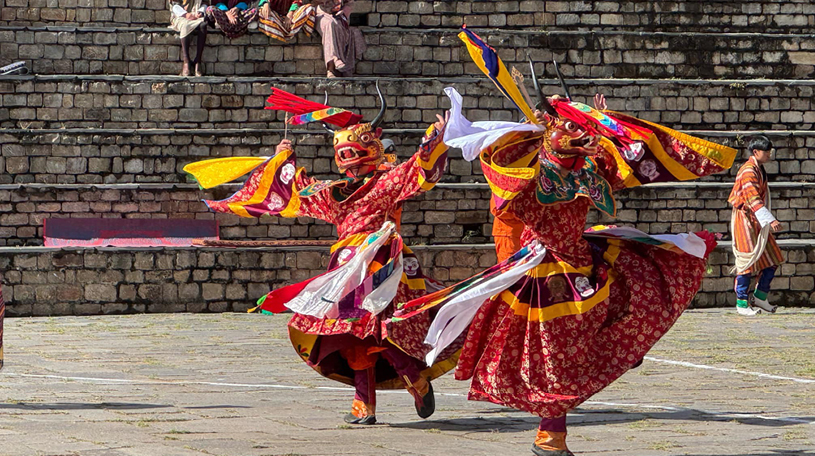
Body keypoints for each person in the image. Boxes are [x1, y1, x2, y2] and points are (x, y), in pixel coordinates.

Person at [394, 30, 737, 456]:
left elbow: (590, 164)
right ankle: (553, 434)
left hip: (569, 265)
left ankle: (563, 421)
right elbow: (525, 174)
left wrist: (576, 129)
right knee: (556, 352)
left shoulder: (569, 176)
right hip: (550, 270)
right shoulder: (558, 175)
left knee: (574, 340)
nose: (582, 140)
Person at [184, 84, 460, 425]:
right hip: (345, 267)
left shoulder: (387, 182)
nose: (350, 164)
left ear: (370, 152)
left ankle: (414, 380)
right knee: (348, 331)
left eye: (354, 155)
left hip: (383, 264)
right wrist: (284, 156)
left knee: (380, 328)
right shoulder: (330, 192)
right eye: (344, 157)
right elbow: (296, 189)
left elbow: (420, 170)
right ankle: (365, 404)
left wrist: (438, 137)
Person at [728, 136, 782, 315]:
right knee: (746, 260)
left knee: (773, 258)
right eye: (766, 151)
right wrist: (771, 219)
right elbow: (752, 198)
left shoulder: (759, 168)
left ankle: (760, 296)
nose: (768, 154)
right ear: (756, 152)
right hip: (745, 218)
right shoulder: (748, 171)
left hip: (757, 219)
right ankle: (742, 303)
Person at [300, 0, 365, 77]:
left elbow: (349, 0)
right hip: (320, 15)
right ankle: (331, 66)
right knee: (329, 24)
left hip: (338, 15)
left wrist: (344, 12)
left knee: (345, 29)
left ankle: (345, 67)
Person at [168, 0, 211, 76]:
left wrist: (200, 11)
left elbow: (205, 1)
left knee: (203, 25)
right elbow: (174, 4)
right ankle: (186, 62)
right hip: (180, 15)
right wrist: (186, 15)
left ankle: (198, 62)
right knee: (185, 25)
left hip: (196, 14)